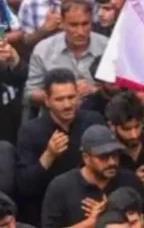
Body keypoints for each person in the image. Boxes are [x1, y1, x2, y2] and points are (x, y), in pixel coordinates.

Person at [16, 69, 104, 225]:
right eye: (60, 99)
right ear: (47, 101)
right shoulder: (31, 131)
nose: (68, 105)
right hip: (49, 210)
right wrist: (48, 155)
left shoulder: (93, 121)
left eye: (71, 97)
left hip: (93, 204)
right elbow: (25, 187)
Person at [41, 125, 143, 228]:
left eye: (115, 155)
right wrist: (91, 223)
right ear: (86, 157)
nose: (112, 162)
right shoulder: (61, 187)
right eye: (103, 157)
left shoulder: (129, 180)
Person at [25, 0, 108, 107]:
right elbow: (30, 93)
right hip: (54, 118)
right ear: (62, 23)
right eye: (74, 25)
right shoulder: (43, 50)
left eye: (85, 24)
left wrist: (96, 90)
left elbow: (121, 89)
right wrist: (62, 95)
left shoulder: (107, 47)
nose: (80, 32)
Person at [104, 91, 144, 193]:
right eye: (127, 129)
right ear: (112, 126)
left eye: (137, 126)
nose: (134, 134)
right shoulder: (105, 155)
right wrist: (132, 181)